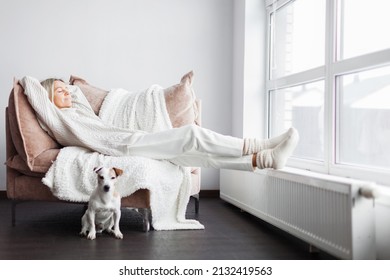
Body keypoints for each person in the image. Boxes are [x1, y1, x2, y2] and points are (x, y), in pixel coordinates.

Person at [37, 78, 299, 172]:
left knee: (190, 157)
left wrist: (67, 89)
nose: (68, 93)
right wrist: (47, 88)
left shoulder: (76, 111)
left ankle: (265, 160)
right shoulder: (59, 120)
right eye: (59, 91)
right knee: (191, 135)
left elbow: (77, 93)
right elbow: (29, 84)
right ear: (47, 98)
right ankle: (259, 145)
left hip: (130, 140)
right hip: (123, 146)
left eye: (66, 89)